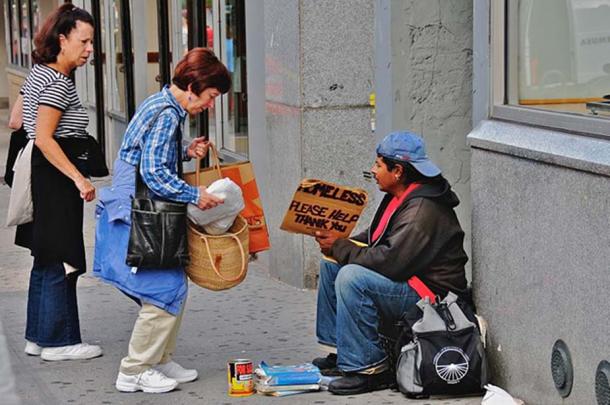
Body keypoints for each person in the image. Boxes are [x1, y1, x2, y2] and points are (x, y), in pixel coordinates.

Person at [94, 47, 231, 394]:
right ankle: (135, 369)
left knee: (170, 286)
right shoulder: (168, 114)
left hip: (138, 210)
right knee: (162, 289)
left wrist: (186, 150)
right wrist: (195, 195)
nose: (210, 105)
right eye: (211, 96)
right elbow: (154, 172)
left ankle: (158, 358)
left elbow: (148, 151)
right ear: (193, 87)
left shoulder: (162, 105)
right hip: (144, 213)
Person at [312, 131, 469, 395]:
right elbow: (377, 239)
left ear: (397, 171)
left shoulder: (422, 209)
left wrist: (341, 247)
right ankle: (343, 353)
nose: (373, 170)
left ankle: (370, 369)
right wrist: (340, 243)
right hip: (410, 278)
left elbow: (392, 261)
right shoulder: (401, 195)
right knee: (332, 265)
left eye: (378, 165)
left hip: (432, 295)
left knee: (351, 278)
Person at [15, 4, 103, 361]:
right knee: (62, 256)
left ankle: (38, 337)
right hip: (55, 176)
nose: (89, 49)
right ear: (62, 38)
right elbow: (47, 138)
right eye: (83, 41)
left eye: (91, 42)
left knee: (46, 256)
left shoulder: (38, 74)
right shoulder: (57, 82)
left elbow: (17, 121)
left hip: (41, 173)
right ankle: (59, 341)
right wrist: (79, 178)